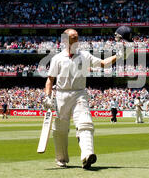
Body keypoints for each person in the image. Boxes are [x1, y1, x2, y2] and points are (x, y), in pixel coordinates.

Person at [43, 28, 131, 169]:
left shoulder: (84, 55)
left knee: (85, 123)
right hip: (61, 95)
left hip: (79, 93)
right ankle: (61, 158)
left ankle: (87, 155)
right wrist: (47, 97)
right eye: (73, 37)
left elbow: (103, 63)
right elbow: (50, 80)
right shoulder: (57, 58)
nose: (76, 40)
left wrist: (119, 56)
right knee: (60, 130)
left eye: (77, 37)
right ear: (65, 40)